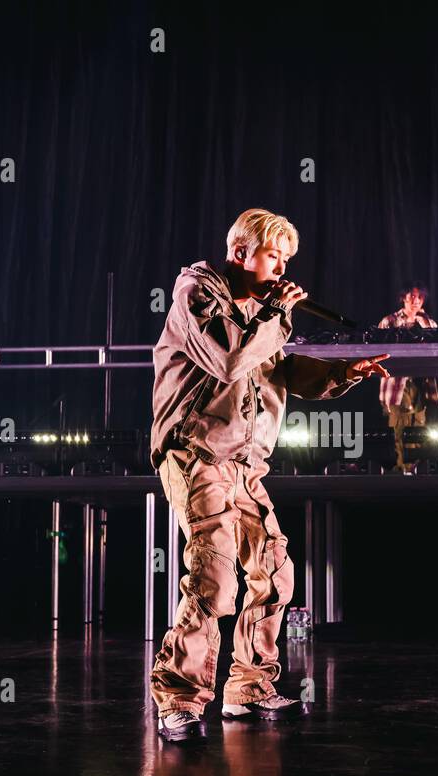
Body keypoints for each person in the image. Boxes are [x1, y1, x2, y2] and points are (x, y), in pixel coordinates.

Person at [148, 208, 390, 742]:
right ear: (240, 254)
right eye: (273, 256)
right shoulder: (197, 296)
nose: (281, 268)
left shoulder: (262, 313)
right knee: (215, 575)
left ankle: (250, 687)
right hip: (197, 453)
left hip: (243, 463)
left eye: (286, 258)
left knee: (273, 568)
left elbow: (277, 369)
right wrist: (276, 313)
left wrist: (341, 373)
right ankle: (179, 699)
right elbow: (230, 360)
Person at [377, 285, 438, 474]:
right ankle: (402, 470)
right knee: (399, 427)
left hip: (421, 381)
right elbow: (378, 350)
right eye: (412, 296)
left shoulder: (428, 322)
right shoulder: (389, 321)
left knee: (419, 426)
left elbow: (437, 348)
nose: (416, 300)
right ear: (403, 297)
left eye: (420, 297)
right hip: (397, 383)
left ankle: (415, 469)